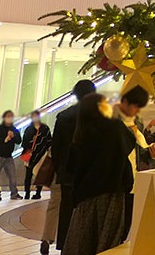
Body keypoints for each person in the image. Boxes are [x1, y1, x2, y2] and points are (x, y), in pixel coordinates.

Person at [63, 94, 134, 255]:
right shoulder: (113, 126)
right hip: (111, 191)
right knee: (107, 240)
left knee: (83, 238)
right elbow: (129, 142)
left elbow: (71, 165)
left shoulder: (82, 131)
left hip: (85, 195)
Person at [49, 78, 98, 254]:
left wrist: (60, 168)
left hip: (68, 173)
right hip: (90, 173)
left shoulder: (63, 116)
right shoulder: (98, 117)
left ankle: (65, 245)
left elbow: (56, 147)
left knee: (67, 210)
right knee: (89, 212)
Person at [115, 86, 155, 238]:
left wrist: (153, 155)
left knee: (125, 226)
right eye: (135, 106)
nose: (137, 111)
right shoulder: (111, 121)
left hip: (132, 182)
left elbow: (140, 152)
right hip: (113, 183)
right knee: (113, 227)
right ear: (125, 102)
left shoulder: (137, 123)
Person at [0, 110, 22, 201]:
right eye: (8, 117)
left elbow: (19, 141)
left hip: (8, 157)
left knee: (13, 176)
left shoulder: (14, 129)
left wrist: (13, 136)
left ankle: (14, 193)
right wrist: (6, 139)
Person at [22, 110, 53, 200]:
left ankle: (38, 192)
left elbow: (48, 141)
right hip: (30, 154)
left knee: (40, 173)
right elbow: (25, 143)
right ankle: (27, 192)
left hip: (42, 154)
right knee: (28, 175)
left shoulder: (45, 128)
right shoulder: (29, 129)